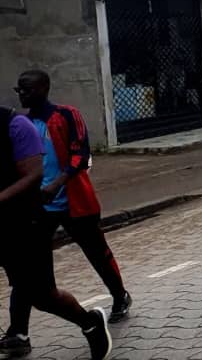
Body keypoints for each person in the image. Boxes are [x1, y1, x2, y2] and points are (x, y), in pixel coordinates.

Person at [3, 71, 131, 356]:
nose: (23, 95)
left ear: (44, 88)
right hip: (38, 209)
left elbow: (80, 154)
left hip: (73, 201)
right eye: (19, 90)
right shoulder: (23, 124)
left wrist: (56, 183)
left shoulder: (66, 115)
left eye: (28, 89)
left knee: (97, 251)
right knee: (27, 274)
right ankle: (18, 332)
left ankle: (119, 295)